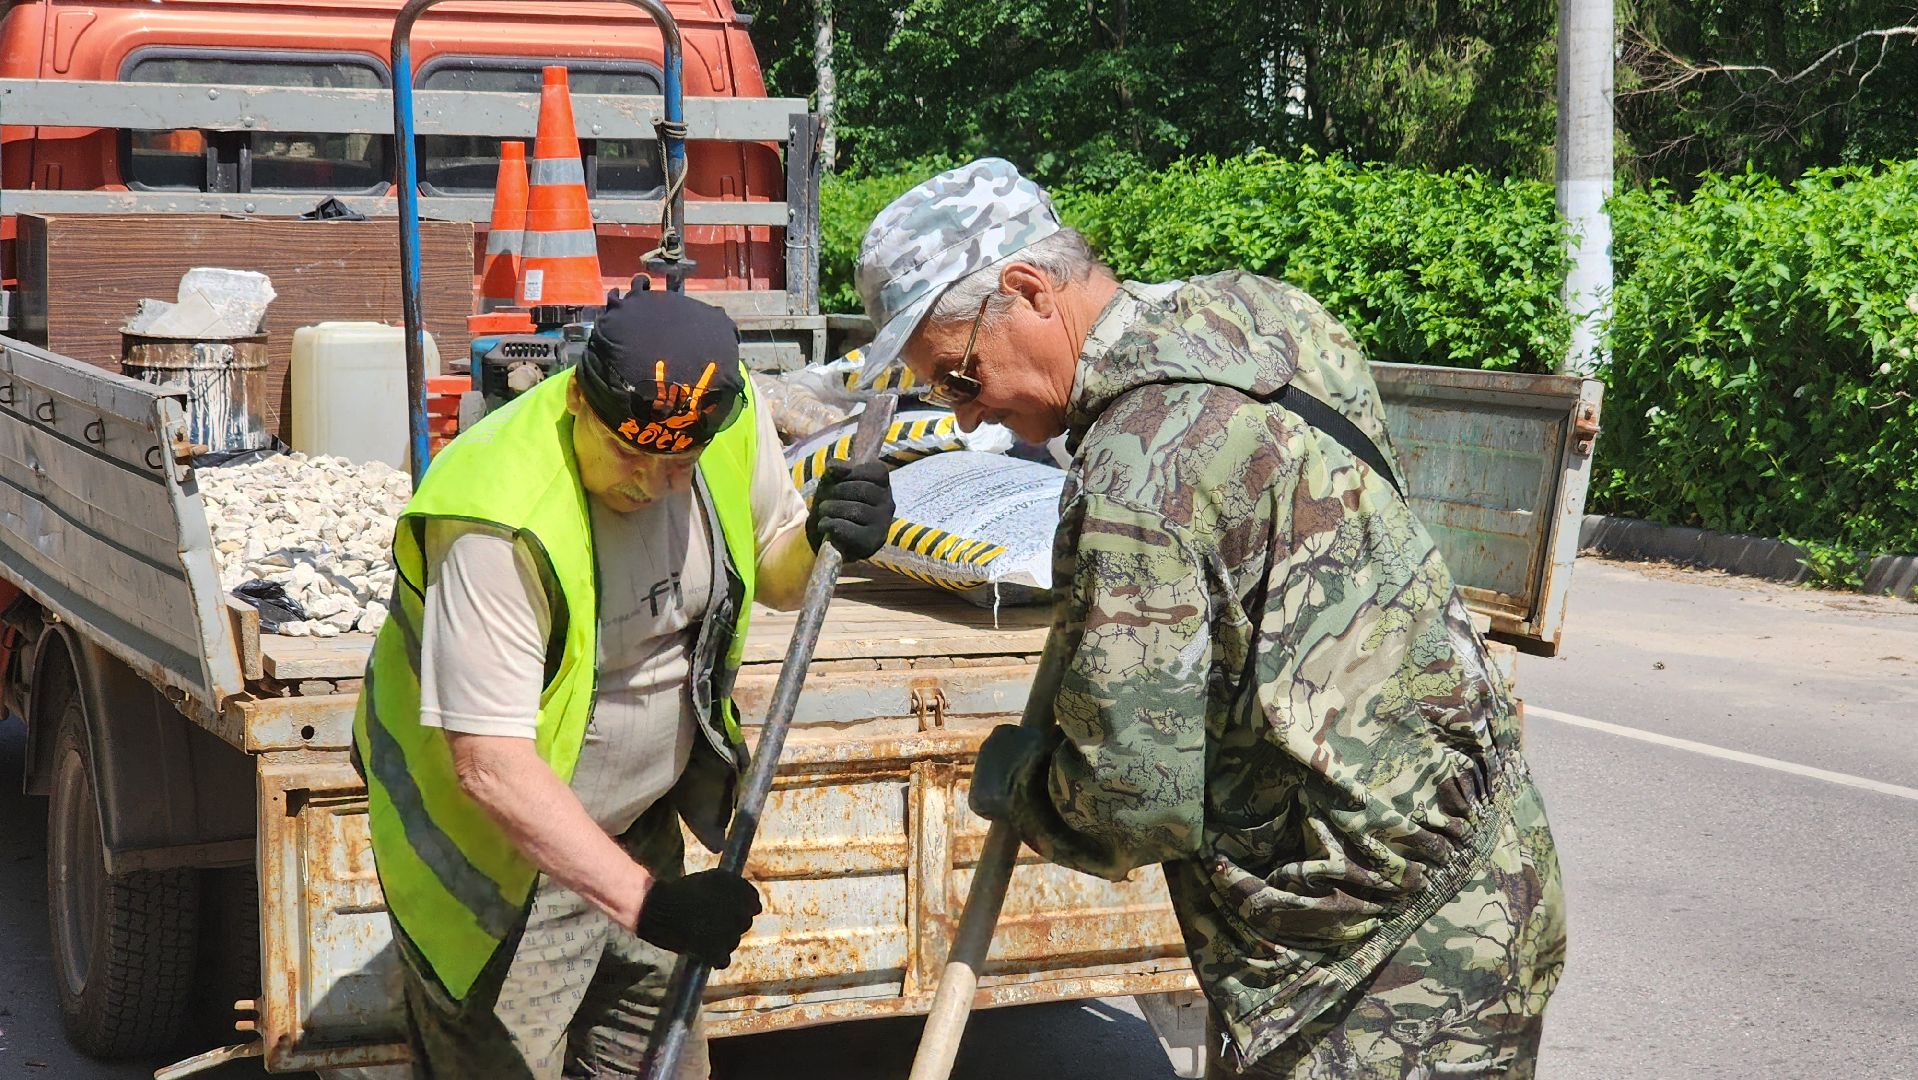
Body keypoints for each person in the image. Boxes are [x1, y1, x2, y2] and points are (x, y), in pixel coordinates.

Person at [855, 159, 1567, 1078]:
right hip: (1494, 871)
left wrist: (1025, 782)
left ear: (1027, 290)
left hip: (1368, 979)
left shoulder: (1137, 475)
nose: (969, 413)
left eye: (962, 376)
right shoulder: (1267, 317)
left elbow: (1132, 802)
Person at [352, 287, 895, 1078]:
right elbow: (490, 768)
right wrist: (653, 908)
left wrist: (823, 537)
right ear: (577, 399)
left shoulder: (726, 419)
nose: (652, 485)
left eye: (678, 463)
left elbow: (773, 569)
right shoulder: (496, 519)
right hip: (500, 877)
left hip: (640, 833)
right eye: (630, 455)